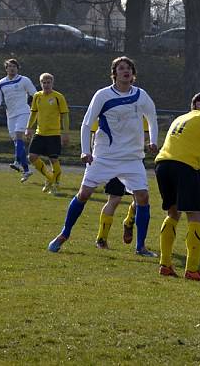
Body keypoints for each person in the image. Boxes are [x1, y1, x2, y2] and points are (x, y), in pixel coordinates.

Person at [47, 56, 158, 253]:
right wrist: (85, 151)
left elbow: (152, 118)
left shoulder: (141, 95)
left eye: (129, 69)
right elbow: (87, 124)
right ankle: (64, 233)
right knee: (84, 194)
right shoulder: (103, 95)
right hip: (104, 157)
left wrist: (153, 140)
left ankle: (140, 246)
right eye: (121, 68)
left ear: (133, 74)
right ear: (114, 73)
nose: (126, 71)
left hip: (132, 158)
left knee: (143, 198)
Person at [154, 90, 200, 281]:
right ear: (198, 105)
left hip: (162, 164)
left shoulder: (180, 118)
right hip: (185, 167)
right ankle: (192, 270)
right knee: (195, 215)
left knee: (173, 212)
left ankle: (165, 265)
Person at [94, 114, 157, 256]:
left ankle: (129, 221)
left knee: (139, 199)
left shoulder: (141, 115)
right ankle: (101, 238)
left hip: (133, 160)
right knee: (114, 199)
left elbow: (146, 137)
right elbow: (98, 135)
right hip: (114, 160)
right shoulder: (109, 111)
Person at [0, 58, 37, 181]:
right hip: (10, 114)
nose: (12, 68)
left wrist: (38, 106)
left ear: (17, 68)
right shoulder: (1, 83)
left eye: (14, 66)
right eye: (9, 66)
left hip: (23, 111)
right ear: (6, 69)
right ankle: (27, 170)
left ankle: (16, 161)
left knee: (18, 134)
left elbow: (35, 94)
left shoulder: (24, 80)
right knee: (17, 141)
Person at [25, 73, 69, 191]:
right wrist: (28, 128)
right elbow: (33, 112)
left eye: (48, 82)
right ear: (41, 83)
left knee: (53, 159)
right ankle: (50, 177)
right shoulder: (37, 96)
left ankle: (56, 184)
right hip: (40, 133)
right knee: (32, 157)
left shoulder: (58, 97)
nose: (46, 85)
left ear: (52, 83)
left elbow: (64, 115)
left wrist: (65, 133)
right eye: (43, 82)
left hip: (54, 134)